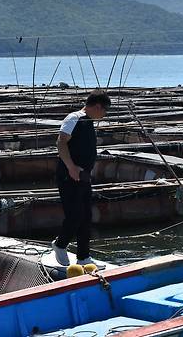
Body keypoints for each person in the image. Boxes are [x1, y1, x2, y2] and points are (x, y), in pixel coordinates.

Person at [51, 90, 110, 266]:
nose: (105, 114)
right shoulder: (74, 118)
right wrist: (71, 167)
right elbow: (61, 142)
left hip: (83, 176)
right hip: (69, 174)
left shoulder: (89, 122)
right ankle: (60, 244)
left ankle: (83, 257)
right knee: (74, 214)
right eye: (105, 110)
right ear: (97, 106)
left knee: (86, 216)